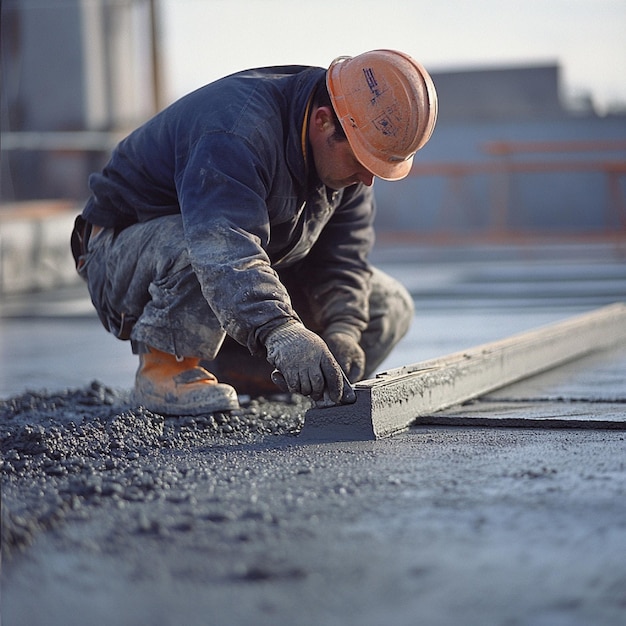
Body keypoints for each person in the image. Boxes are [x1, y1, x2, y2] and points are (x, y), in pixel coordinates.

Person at [71, 49, 438, 416]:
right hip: (121, 255)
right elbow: (225, 246)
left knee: (389, 305)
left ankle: (246, 374)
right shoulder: (236, 130)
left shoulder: (349, 157)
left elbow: (342, 260)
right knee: (199, 245)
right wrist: (281, 330)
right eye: (362, 161)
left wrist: (342, 330)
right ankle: (166, 370)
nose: (368, 178)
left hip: (230, 277)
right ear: (323, 122)